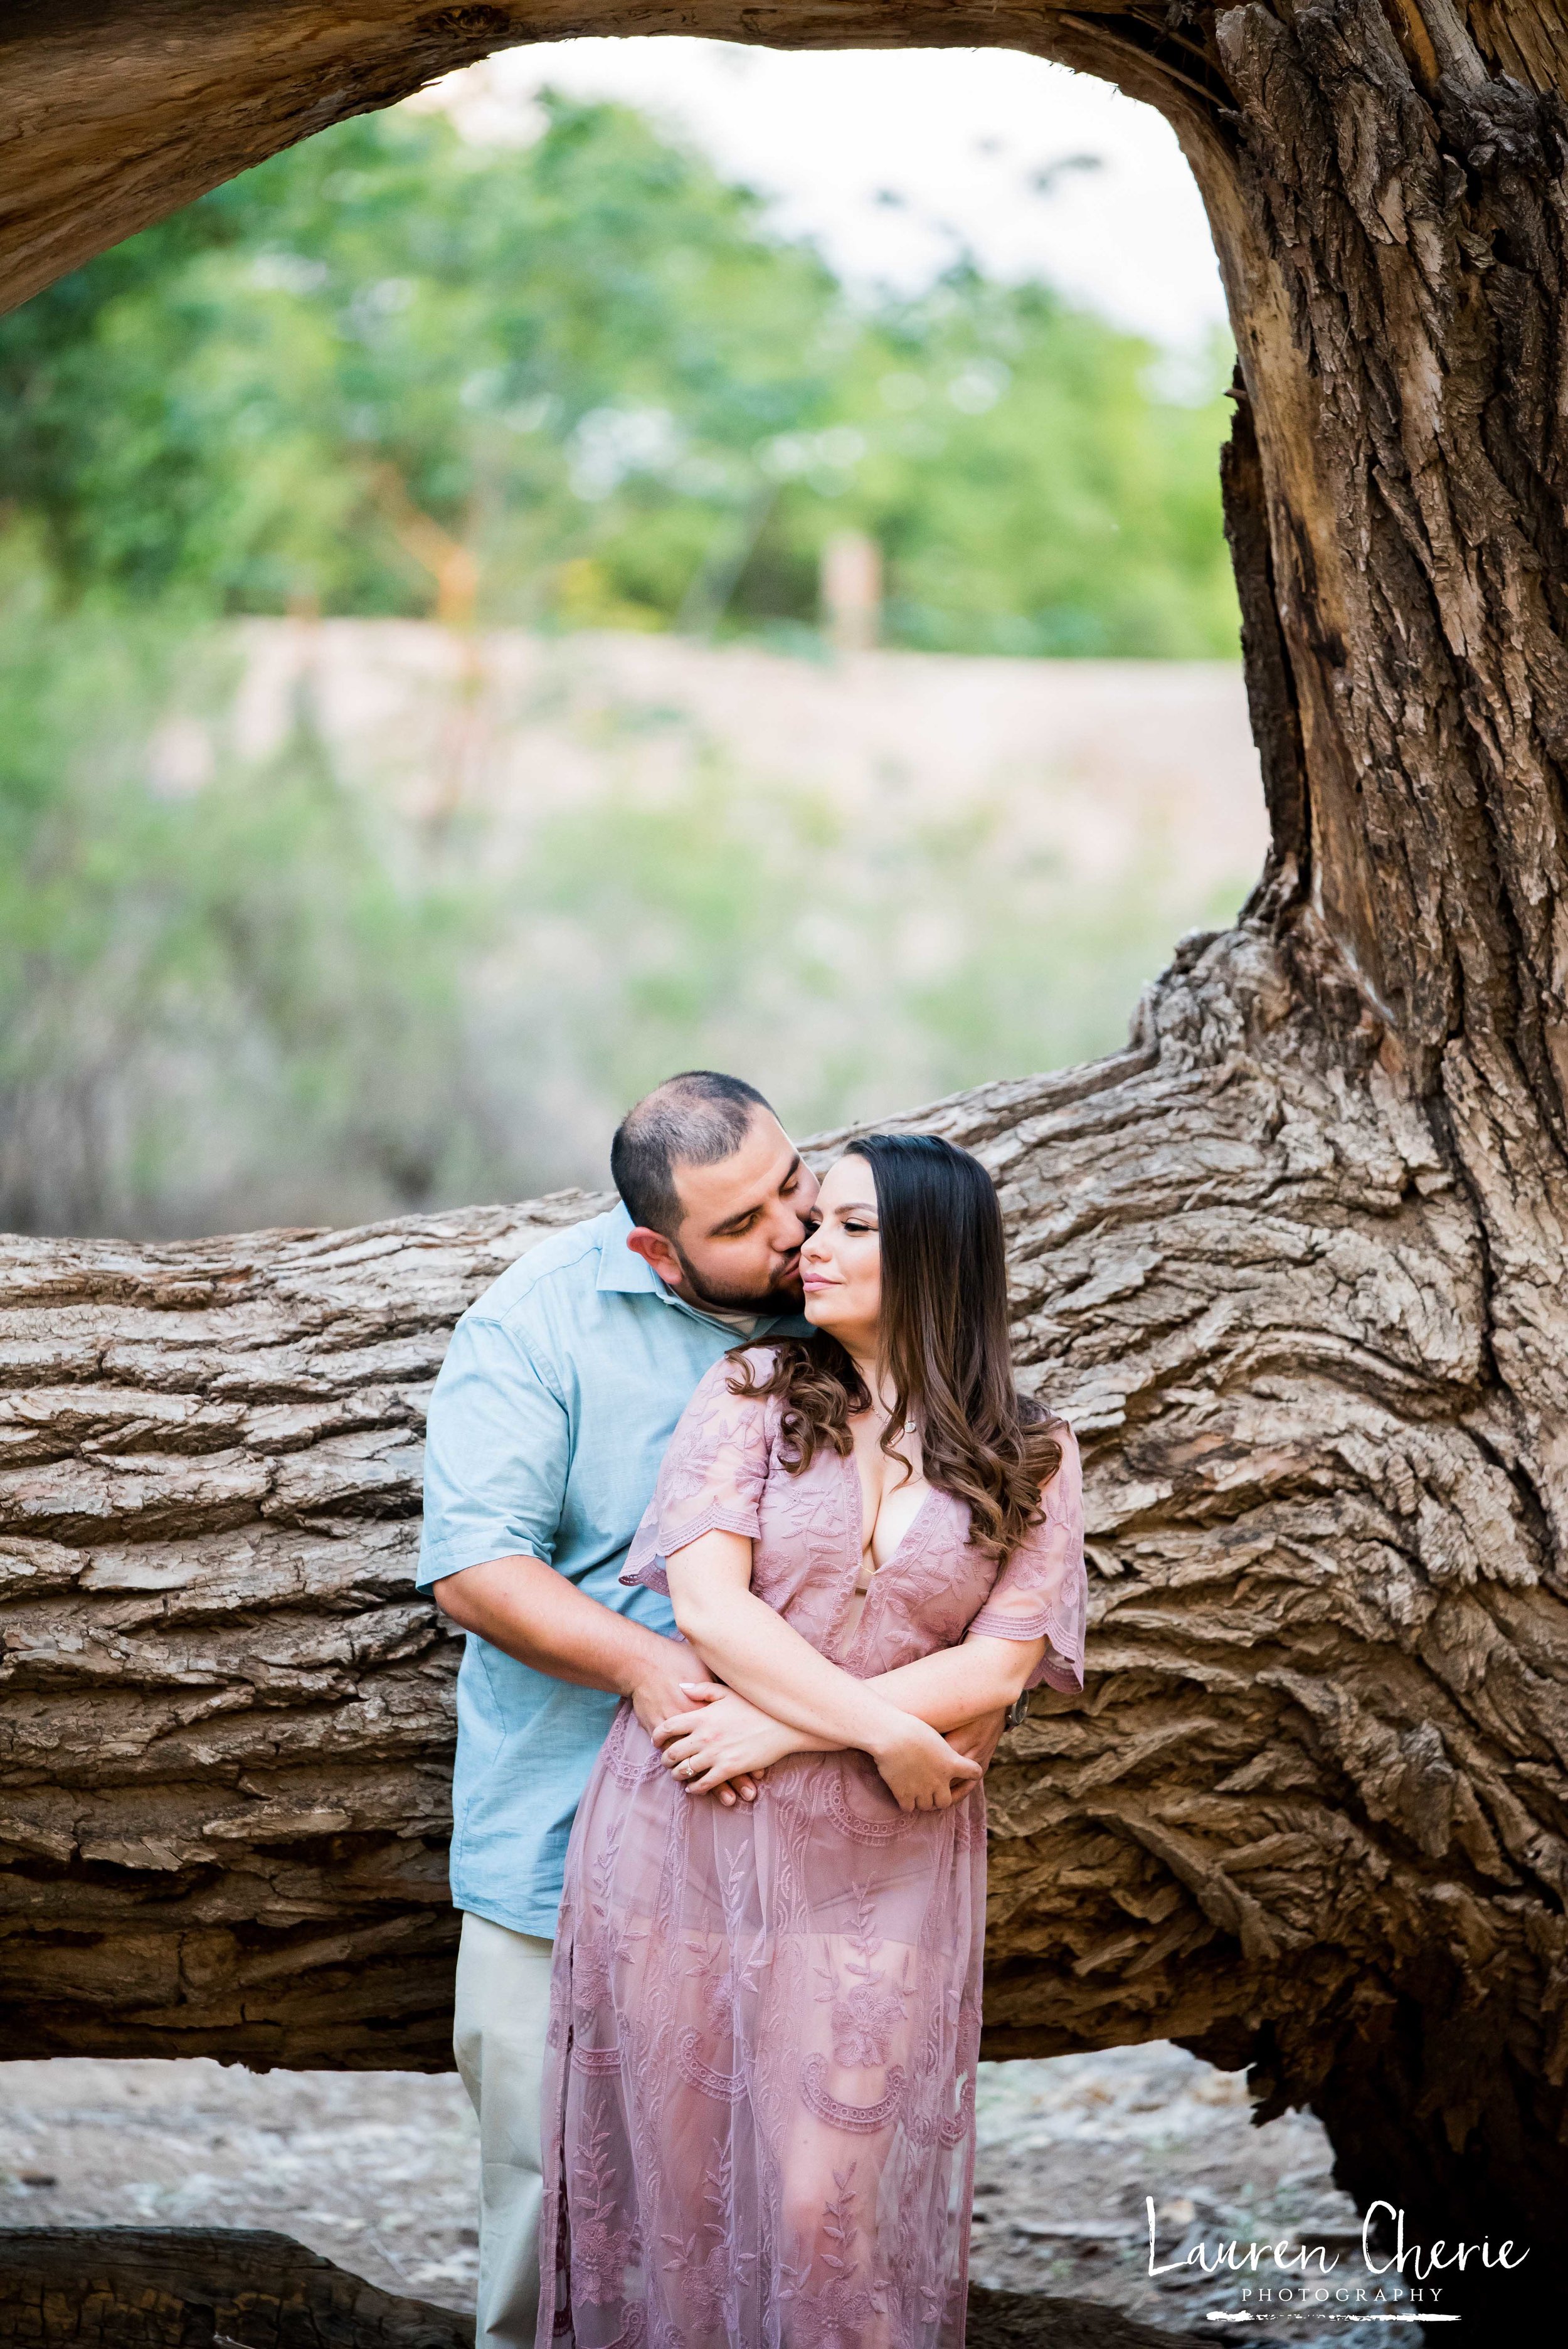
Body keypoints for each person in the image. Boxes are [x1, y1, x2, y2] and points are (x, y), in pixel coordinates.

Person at [418, 1076, 1014, 2347]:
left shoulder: (843, 1307)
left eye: (792, 1186)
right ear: (656, 1247)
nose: (794, 1235)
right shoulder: (538, 1323)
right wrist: (651, 1671)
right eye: (746, 1224)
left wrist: (871, 1718)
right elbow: (476, 1568)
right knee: (557, 2221)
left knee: (804, 2219)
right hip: (563, 1832)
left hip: (814, 1857)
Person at [536, 1132, 1088, 2349]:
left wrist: (786, 1730)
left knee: (818, 2208)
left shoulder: (1035, 1452)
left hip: (878, 1865)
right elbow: (709, 1609)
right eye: (811, 1221)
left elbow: (997, 1666)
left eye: (849, 1226)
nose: (807, 1246)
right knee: (675, 2205)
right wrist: (883, 1724)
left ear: (937, 1253)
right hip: (689, 1834)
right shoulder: (750, 1394)